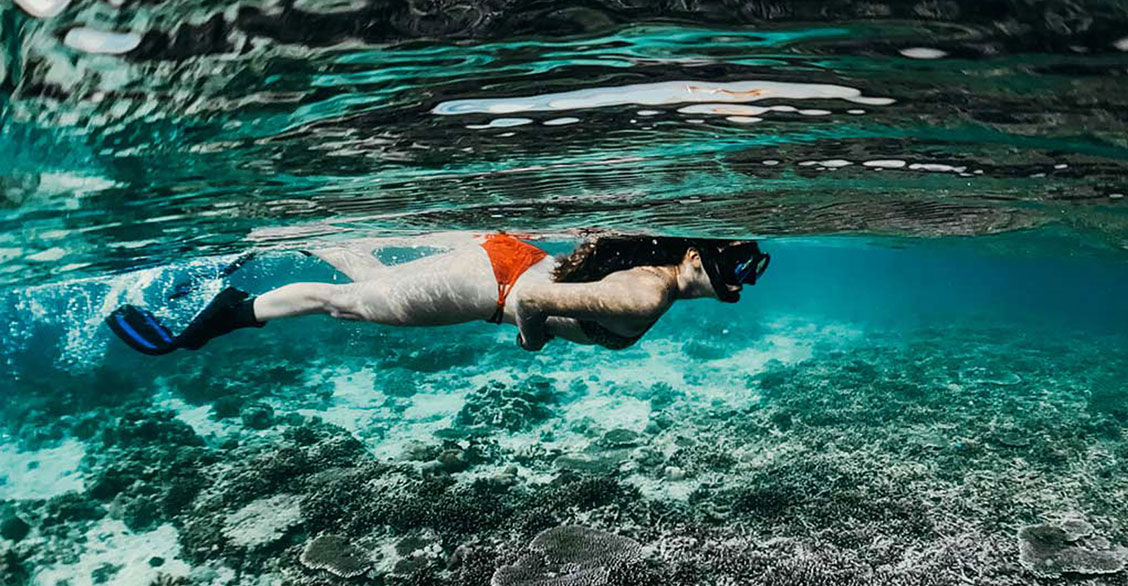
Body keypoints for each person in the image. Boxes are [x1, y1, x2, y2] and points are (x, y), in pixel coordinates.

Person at [105, 234, 770, 355]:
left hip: (506, 260)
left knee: (369, 285)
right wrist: (530, 343)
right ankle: (212, 321)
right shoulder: (646, 298)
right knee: (340, 302)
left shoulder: (652, 275)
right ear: (695, 256)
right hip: (499, 284)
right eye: (731, 271)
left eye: (740, 276)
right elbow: (537, 307)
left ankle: (284, 235)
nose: (731, 283)